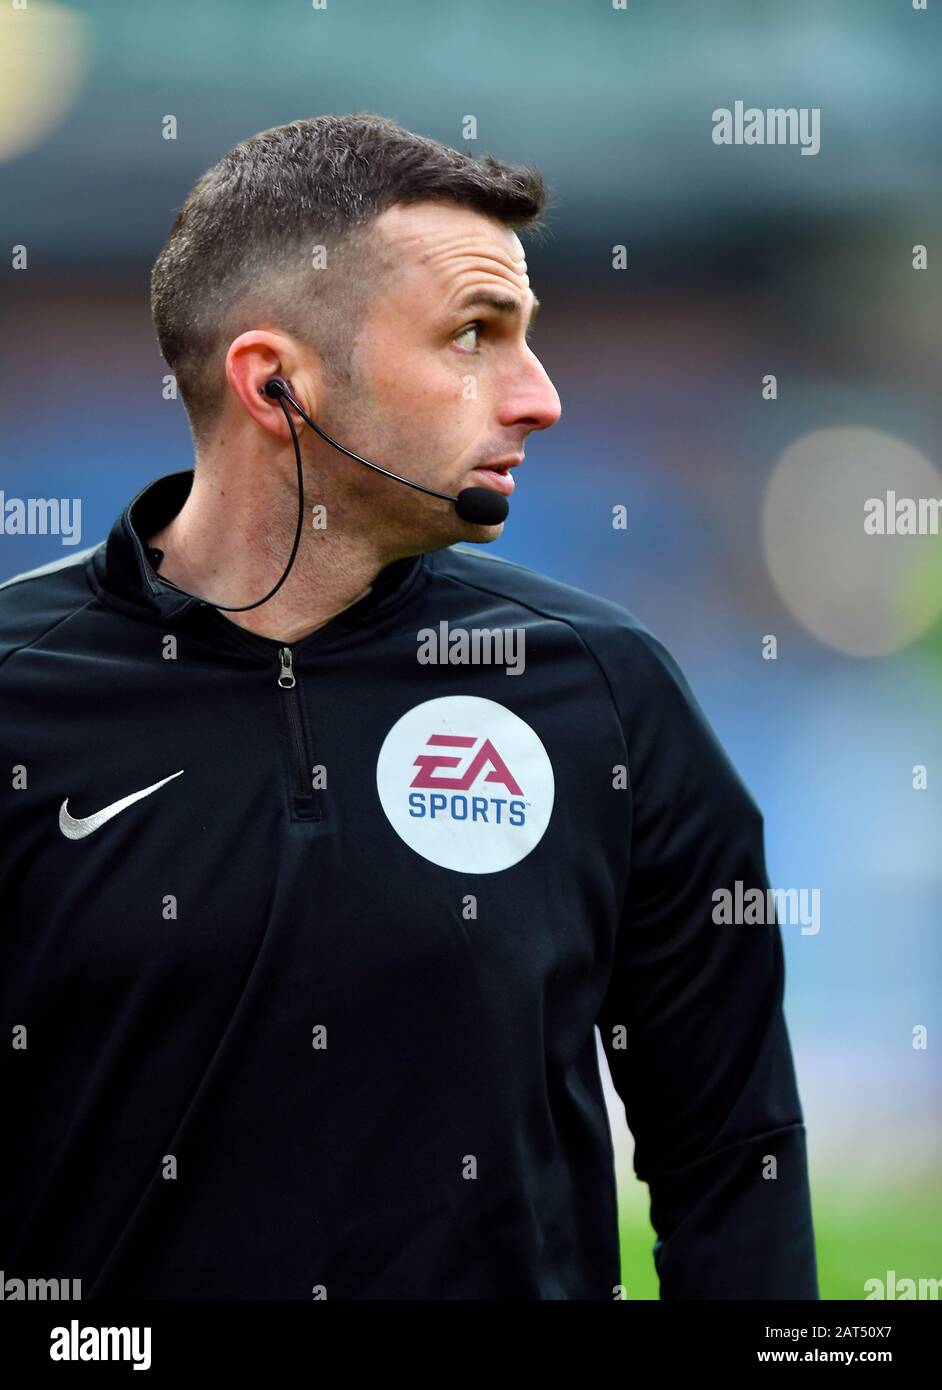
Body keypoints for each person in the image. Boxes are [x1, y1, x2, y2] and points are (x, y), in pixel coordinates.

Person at [0, 114, 818, 1300]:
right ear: (276, 382)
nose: (539, 397)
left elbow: (734, 1157)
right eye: (474, 338)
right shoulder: (20, 697)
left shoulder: (604, 690)